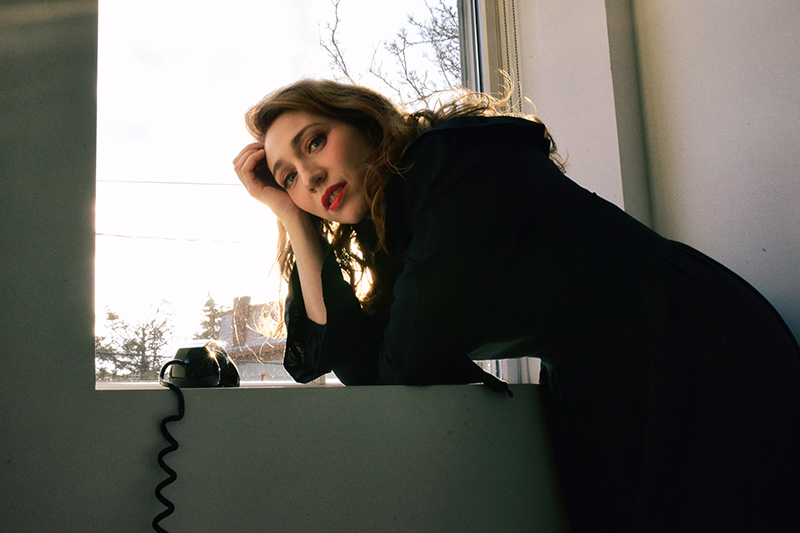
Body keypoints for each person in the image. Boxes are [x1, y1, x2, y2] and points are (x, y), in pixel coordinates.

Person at [233, 79, 800, 532]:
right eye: (290, 177)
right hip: (600, 379)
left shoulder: (450, 164)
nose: (309, 177)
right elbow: (358, 369)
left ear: (361, 122)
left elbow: (402, 364)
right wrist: (293, 221)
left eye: (314, 142)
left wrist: (294, 211)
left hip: (685, 343)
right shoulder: (401, 233)